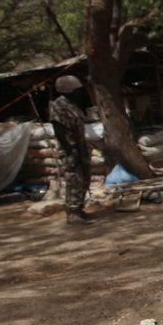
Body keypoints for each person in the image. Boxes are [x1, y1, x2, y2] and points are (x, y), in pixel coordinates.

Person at [48, 75, 96, 225]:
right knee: (74, 179)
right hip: (70, 148)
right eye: (77, 90)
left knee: (84, 177)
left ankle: (79, 208)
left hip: (79, 146)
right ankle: (72, 212)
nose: (80, 92)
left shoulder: (72, 104)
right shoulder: (59, 105)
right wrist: (71, 150)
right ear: (69, 90)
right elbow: (59, 130)